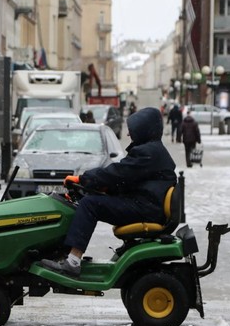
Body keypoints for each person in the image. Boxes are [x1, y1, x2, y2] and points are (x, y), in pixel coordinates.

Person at [40, 107, 177, 277]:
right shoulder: (153, 150)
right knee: (92, 200)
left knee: (89, 205)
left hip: (145, 209)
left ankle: (72, 261)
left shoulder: (148, 152)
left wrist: (82, 180)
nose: (128, 135)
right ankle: (67, 255)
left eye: (133, 130)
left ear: (144, 129)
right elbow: (126, 178)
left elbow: (118, 173)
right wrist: (102, 187)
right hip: (147, 205)